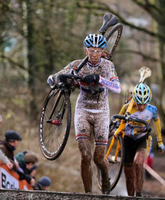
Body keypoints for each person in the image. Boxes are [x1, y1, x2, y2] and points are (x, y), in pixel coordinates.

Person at [47, 34, 121, 194]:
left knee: (99, 158)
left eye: (97, 50)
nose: (94, 53)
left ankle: (105, 178)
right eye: (91, 50)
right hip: (83, 111)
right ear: (85, 50)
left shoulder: (107, 65)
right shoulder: (77, 65)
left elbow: (117, 87)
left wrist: (99, 79)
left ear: (102, 51)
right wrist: (54, 79)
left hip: (102, 112)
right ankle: (88, 194)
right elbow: (56, 75)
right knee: (85, 155)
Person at [118, 83, 165, 197]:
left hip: (143, 140)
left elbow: (157, 121)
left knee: (138, 164)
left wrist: (160, 141)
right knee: (128, 174)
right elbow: (118, 123)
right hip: (127, 141)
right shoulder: (127, 108)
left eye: (144, 104)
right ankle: (130, 197)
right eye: (139, 104)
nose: (141, 107)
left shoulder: (152, 110)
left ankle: (138, 195)